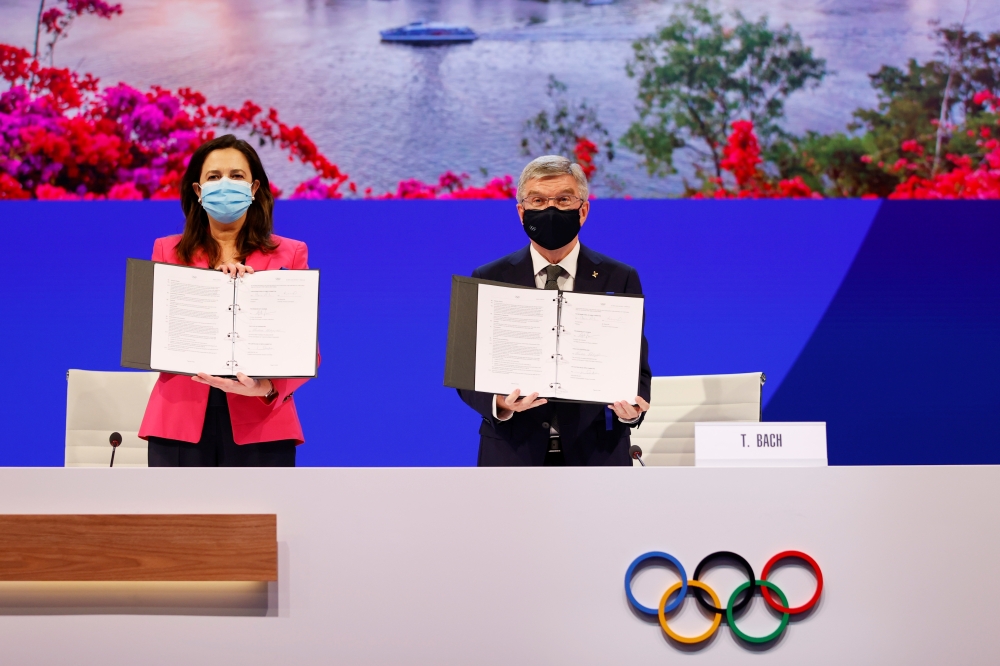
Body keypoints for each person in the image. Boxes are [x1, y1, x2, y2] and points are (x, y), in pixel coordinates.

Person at [459, 155, 652, 466]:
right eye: (538, 200)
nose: (550, 209)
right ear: (522, 212)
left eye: (564, 200)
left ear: (583, 210)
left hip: (597, 453)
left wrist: (633, 410)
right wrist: (500, 403)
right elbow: (467, 372)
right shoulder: (488, 278)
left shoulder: (620, 277)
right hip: (511, 453)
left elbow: (636, 367)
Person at [138, 134, 316, 466]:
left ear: (254, 188)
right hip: (178, 422)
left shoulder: (290, 253)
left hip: (262, 423)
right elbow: (149, 337)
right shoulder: (167, 250)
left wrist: (265, 388)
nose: (225, 184)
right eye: (214, 177)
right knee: (179, 519)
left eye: (236, 176)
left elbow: (306, 349)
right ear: (197, 190)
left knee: (260, 519)